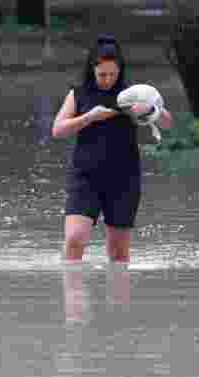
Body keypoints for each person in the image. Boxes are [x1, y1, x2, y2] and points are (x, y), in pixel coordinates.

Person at [51, 34, 174, 263]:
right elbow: (57, 130)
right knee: (74, 239)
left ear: (120, 71)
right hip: (85, 176)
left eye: (113, 74)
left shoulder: (132, 95)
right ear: (92, 70)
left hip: (123, 179)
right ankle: (72, 296)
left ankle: (118, 298)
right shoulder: (78, 94)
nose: (108, 79)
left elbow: (167, 123)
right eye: (102, 75)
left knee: (118, 254)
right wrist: (88, 117)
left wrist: (150, 110)